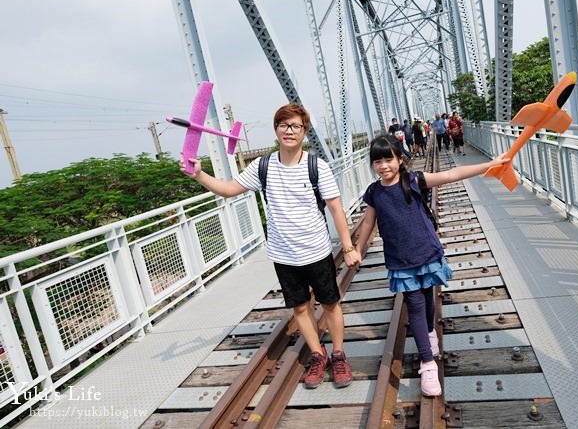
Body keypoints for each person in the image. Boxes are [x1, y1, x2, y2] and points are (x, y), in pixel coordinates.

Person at [180, 103, 362, 389]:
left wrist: (349, 247)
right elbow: (229, 190)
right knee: (300, 309)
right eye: (284, 125)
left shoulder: (317, 166)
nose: (289, 131)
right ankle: (318, 355)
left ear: (304, 131)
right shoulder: (263, 166)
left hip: (316, 250)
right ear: (276, 129)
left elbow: (336, 209)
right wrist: (199, 175)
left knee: (330, 303)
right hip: (283, 254)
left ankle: (339, 354)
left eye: (296, 126)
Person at [353, 135, 508, 396]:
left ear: (400, 159)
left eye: (388, 159)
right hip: (400, 260)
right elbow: (368, 223)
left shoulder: (413, 180)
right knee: (414, 305)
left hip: (426, 252)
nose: (383, 166)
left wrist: (489, 165)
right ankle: (427, 363)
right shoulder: (374, 192)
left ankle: (429, 333)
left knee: (427, 299)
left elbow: (451, 175)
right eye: (377, 161)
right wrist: (357, 250)